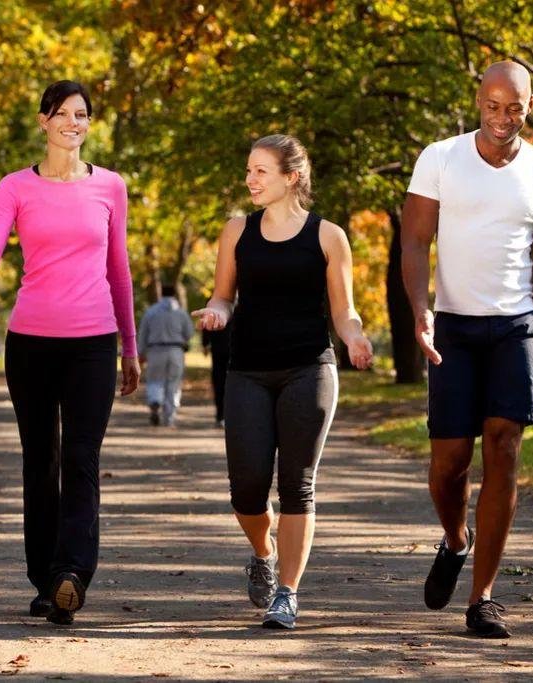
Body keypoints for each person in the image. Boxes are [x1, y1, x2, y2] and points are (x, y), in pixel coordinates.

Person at [0, 80, 140, 626]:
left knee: (81, 459)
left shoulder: (111, 187)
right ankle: (45, 579)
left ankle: (73, 573)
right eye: (64, 114)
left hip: (93, 344)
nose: (74, 123)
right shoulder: (14, 188)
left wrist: (130, 344)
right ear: (43, 120)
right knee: (40, 460)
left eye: (83, 115)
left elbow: (117, 269)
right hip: (29, 344)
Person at [401, 61, 533, 639]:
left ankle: (484, 597)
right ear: (479, 101)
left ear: (527, 107)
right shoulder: (440, 157)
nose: (502, 118)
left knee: (504, 448)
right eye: (492, 106)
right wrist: (421, 311)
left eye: (514, 108)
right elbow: (416, 240)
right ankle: (455, 539)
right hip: (453, 326)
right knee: (448, 464)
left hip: (517, 326)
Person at [193, 134, 373, 630]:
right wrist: (215, 311)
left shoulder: (328, 236)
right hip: (247, 370)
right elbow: (224, 296)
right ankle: (263, 550)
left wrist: (355, 338)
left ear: (290, 177)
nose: (249, 179)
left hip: (309, 369)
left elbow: (344, 309)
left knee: (297, 485)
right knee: (246, 489)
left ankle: (288, 594)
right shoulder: (236, 232)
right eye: (249, 170)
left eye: (260, 171)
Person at [137, 284, 194, 427]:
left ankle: (155, 401)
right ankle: (169, 417)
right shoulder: (181, 313)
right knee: (173, 383)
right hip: (176, 350)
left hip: (155, 350)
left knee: (155, 380)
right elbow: (189, 333)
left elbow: (143, 333)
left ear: (161, 293)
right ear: (174, 294)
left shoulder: (151, 312)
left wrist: (141, 353)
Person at [201, 323, 230, 427]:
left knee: (219, 382)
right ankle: (222, 414)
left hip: (219, 348)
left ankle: (221, 414)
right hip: (229, 349)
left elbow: (206, 326)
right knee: (223, 382)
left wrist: (205, 343)